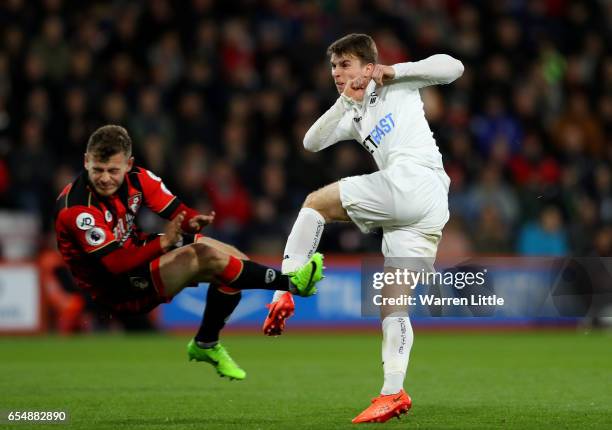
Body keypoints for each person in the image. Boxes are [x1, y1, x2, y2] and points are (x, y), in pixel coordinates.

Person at [262, 34, 463, 422]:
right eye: (334, 67)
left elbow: (454, 67)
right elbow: (311, 141)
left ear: (369, 66)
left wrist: (395, 70)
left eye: (346, 65)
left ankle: (283, 290)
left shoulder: (399, 82)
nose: (337, 73)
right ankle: (393, 392)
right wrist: (344, 104)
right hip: (425, 207)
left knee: (315, 204)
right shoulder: (354, 113)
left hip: (414, 181)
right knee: (393, 302)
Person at [55, 125, 324, 380]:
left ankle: (206, 342)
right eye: (97, 169)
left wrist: (192, 220)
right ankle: (291, 283)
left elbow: (176, 212)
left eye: (112, 170)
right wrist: (162, 244)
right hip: (114, 287)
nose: (105, 178)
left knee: (233, 257)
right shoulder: (78, 210)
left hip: (135, 252)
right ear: (86, 161)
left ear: (128, 164)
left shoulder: (138, 178)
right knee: (202, 256)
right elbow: (115, 263)